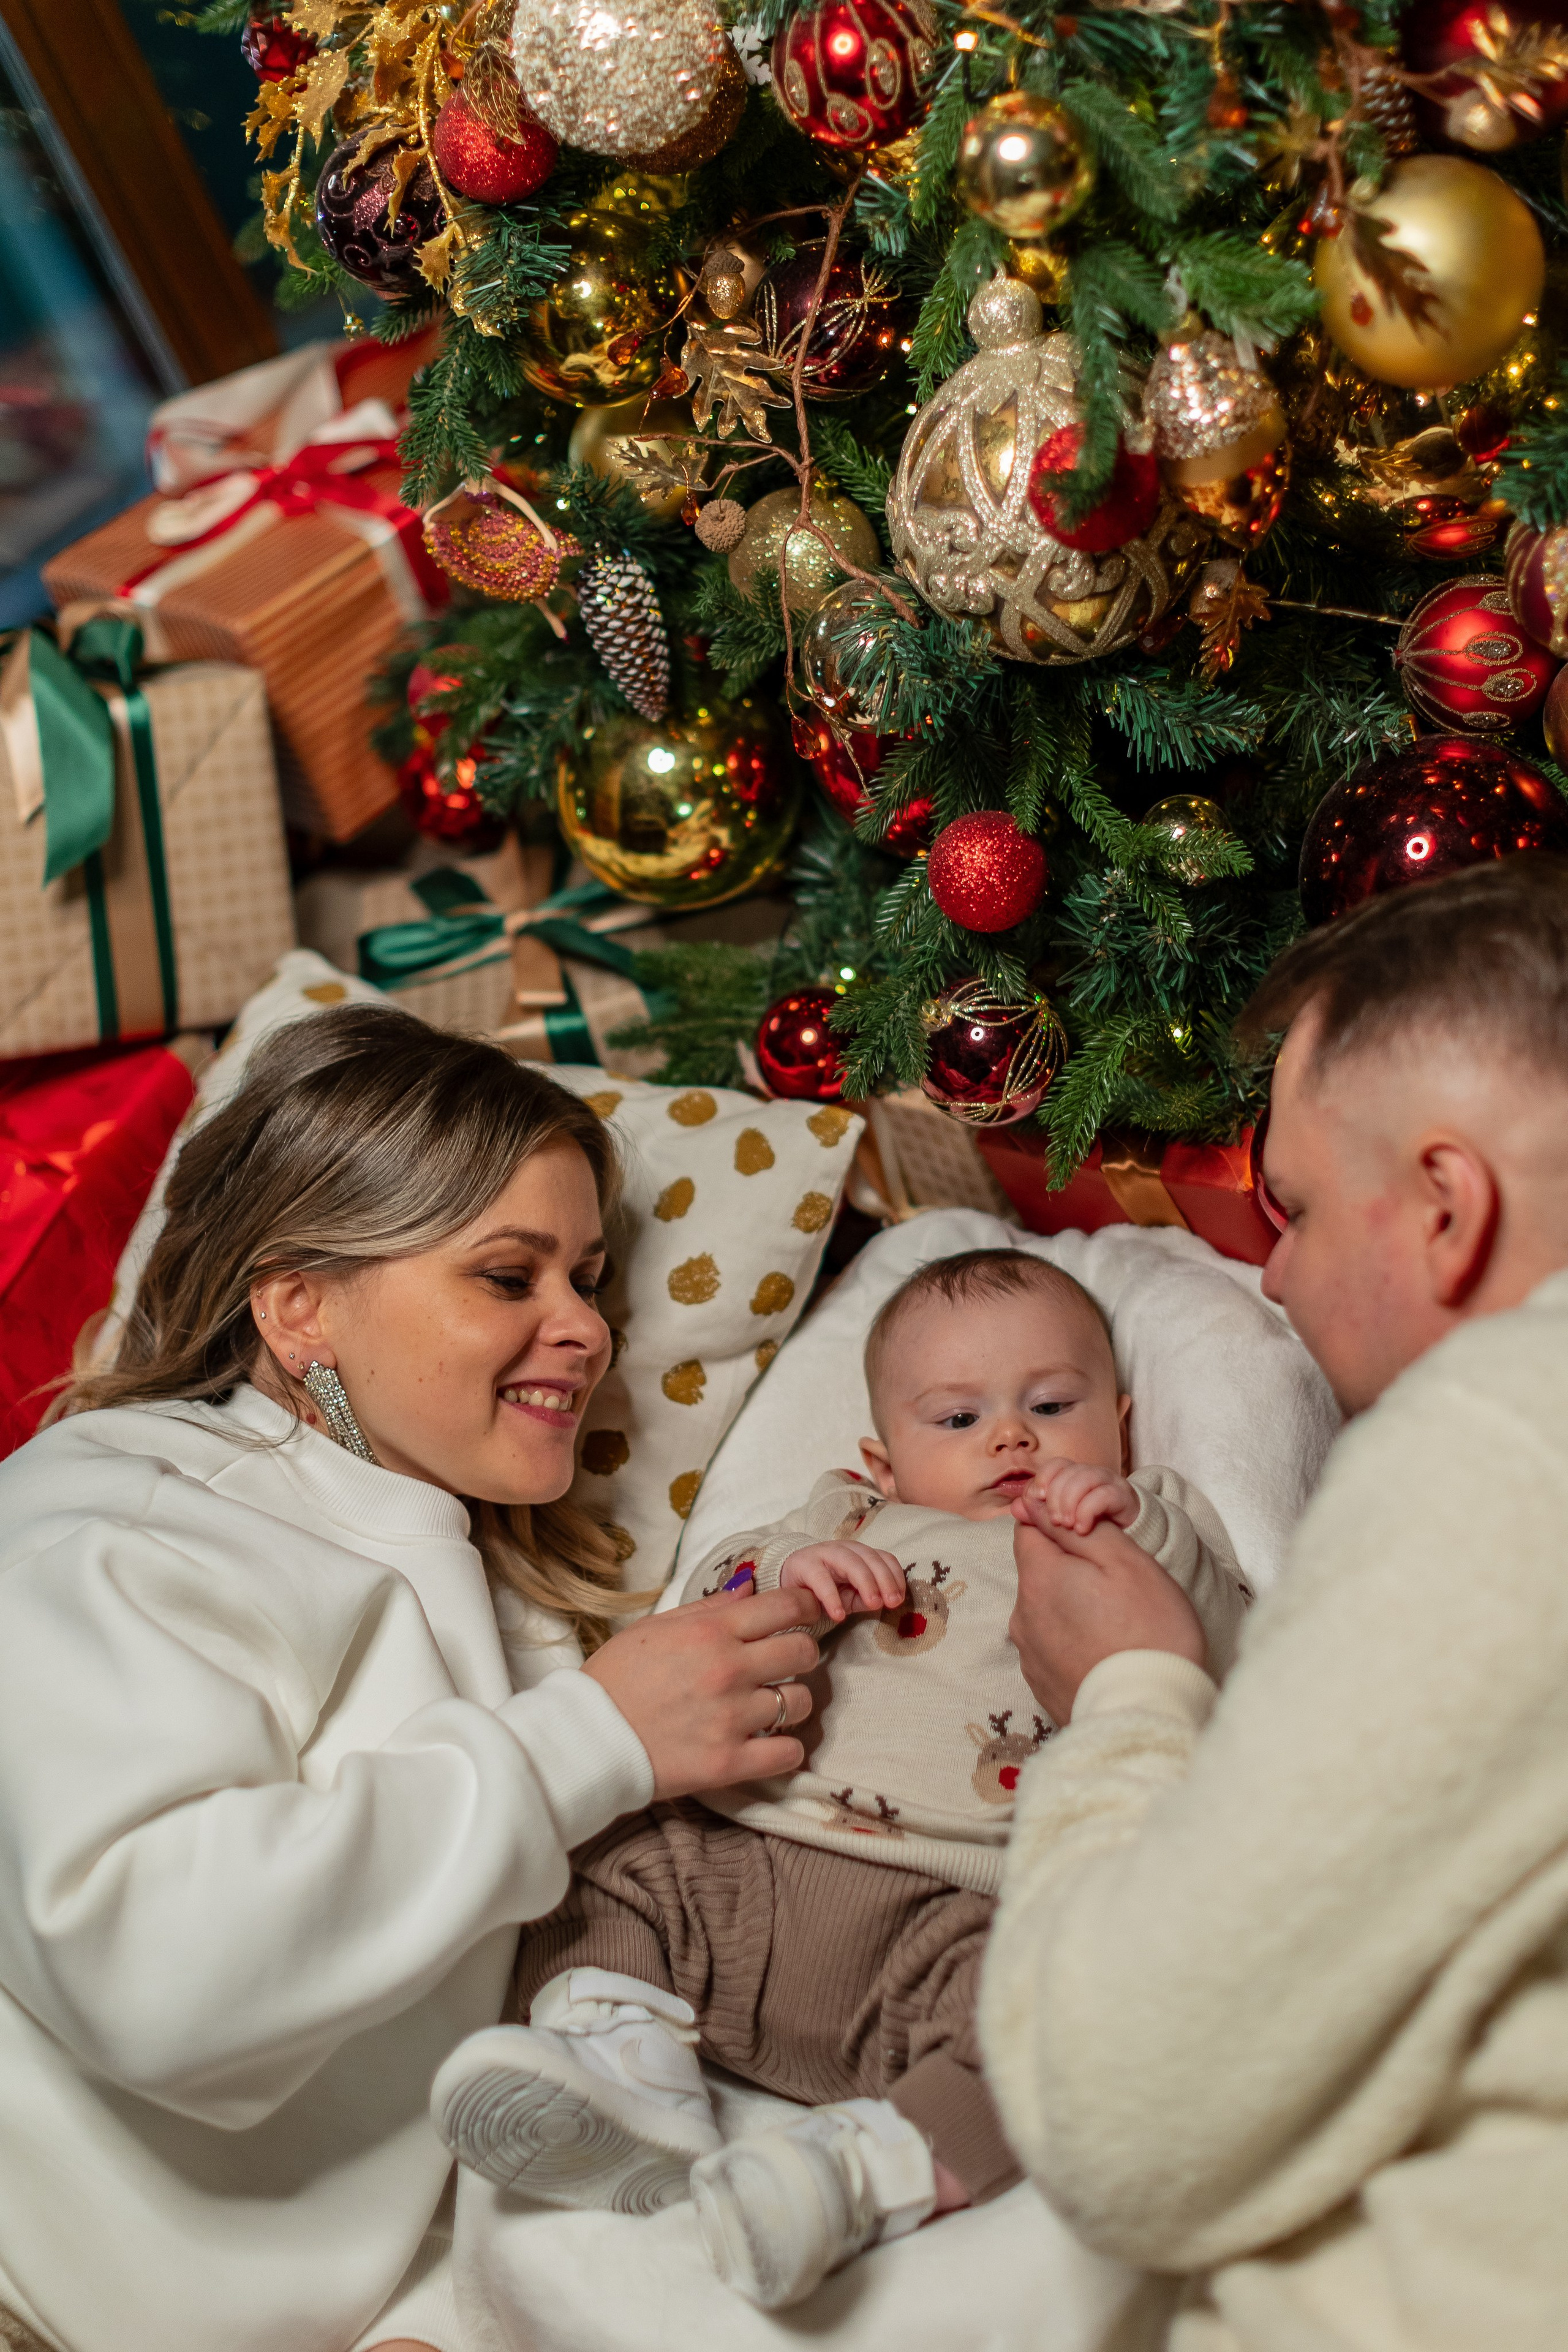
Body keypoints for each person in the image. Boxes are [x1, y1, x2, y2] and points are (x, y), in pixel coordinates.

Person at [0, 1005, 823, 2352]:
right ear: (300, 1307)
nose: (588, 1330)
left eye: (590, 1281)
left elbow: (478, 2060)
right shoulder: (123, 1514)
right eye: (508, 1277)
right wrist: (588, 1743)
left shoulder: (519, 1614)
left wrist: (442, 2310)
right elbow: (147, 1966)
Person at [983, 854, 1568, 2350]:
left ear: (1444, 1207)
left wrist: (1123, 1696)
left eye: (1291, 1209)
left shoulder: (1498, 1438)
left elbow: (1113, 2113)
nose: (1269, 1279)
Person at [431, 1249, 1250, 2313]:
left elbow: (1215, 1647)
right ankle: (622, 2056)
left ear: (1122, 1425)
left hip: (952, 1916)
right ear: (884, 1462)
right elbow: (714, 1588)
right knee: (598, 1848)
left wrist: (1139, 1525)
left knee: (1071, 2023)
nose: (1012, 1437)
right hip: (742, 1863)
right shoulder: (846, 1517)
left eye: (1053, 1406)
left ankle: (858, 2173)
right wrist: (788, 1574)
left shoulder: (1144, 1525)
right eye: (957, 1419)